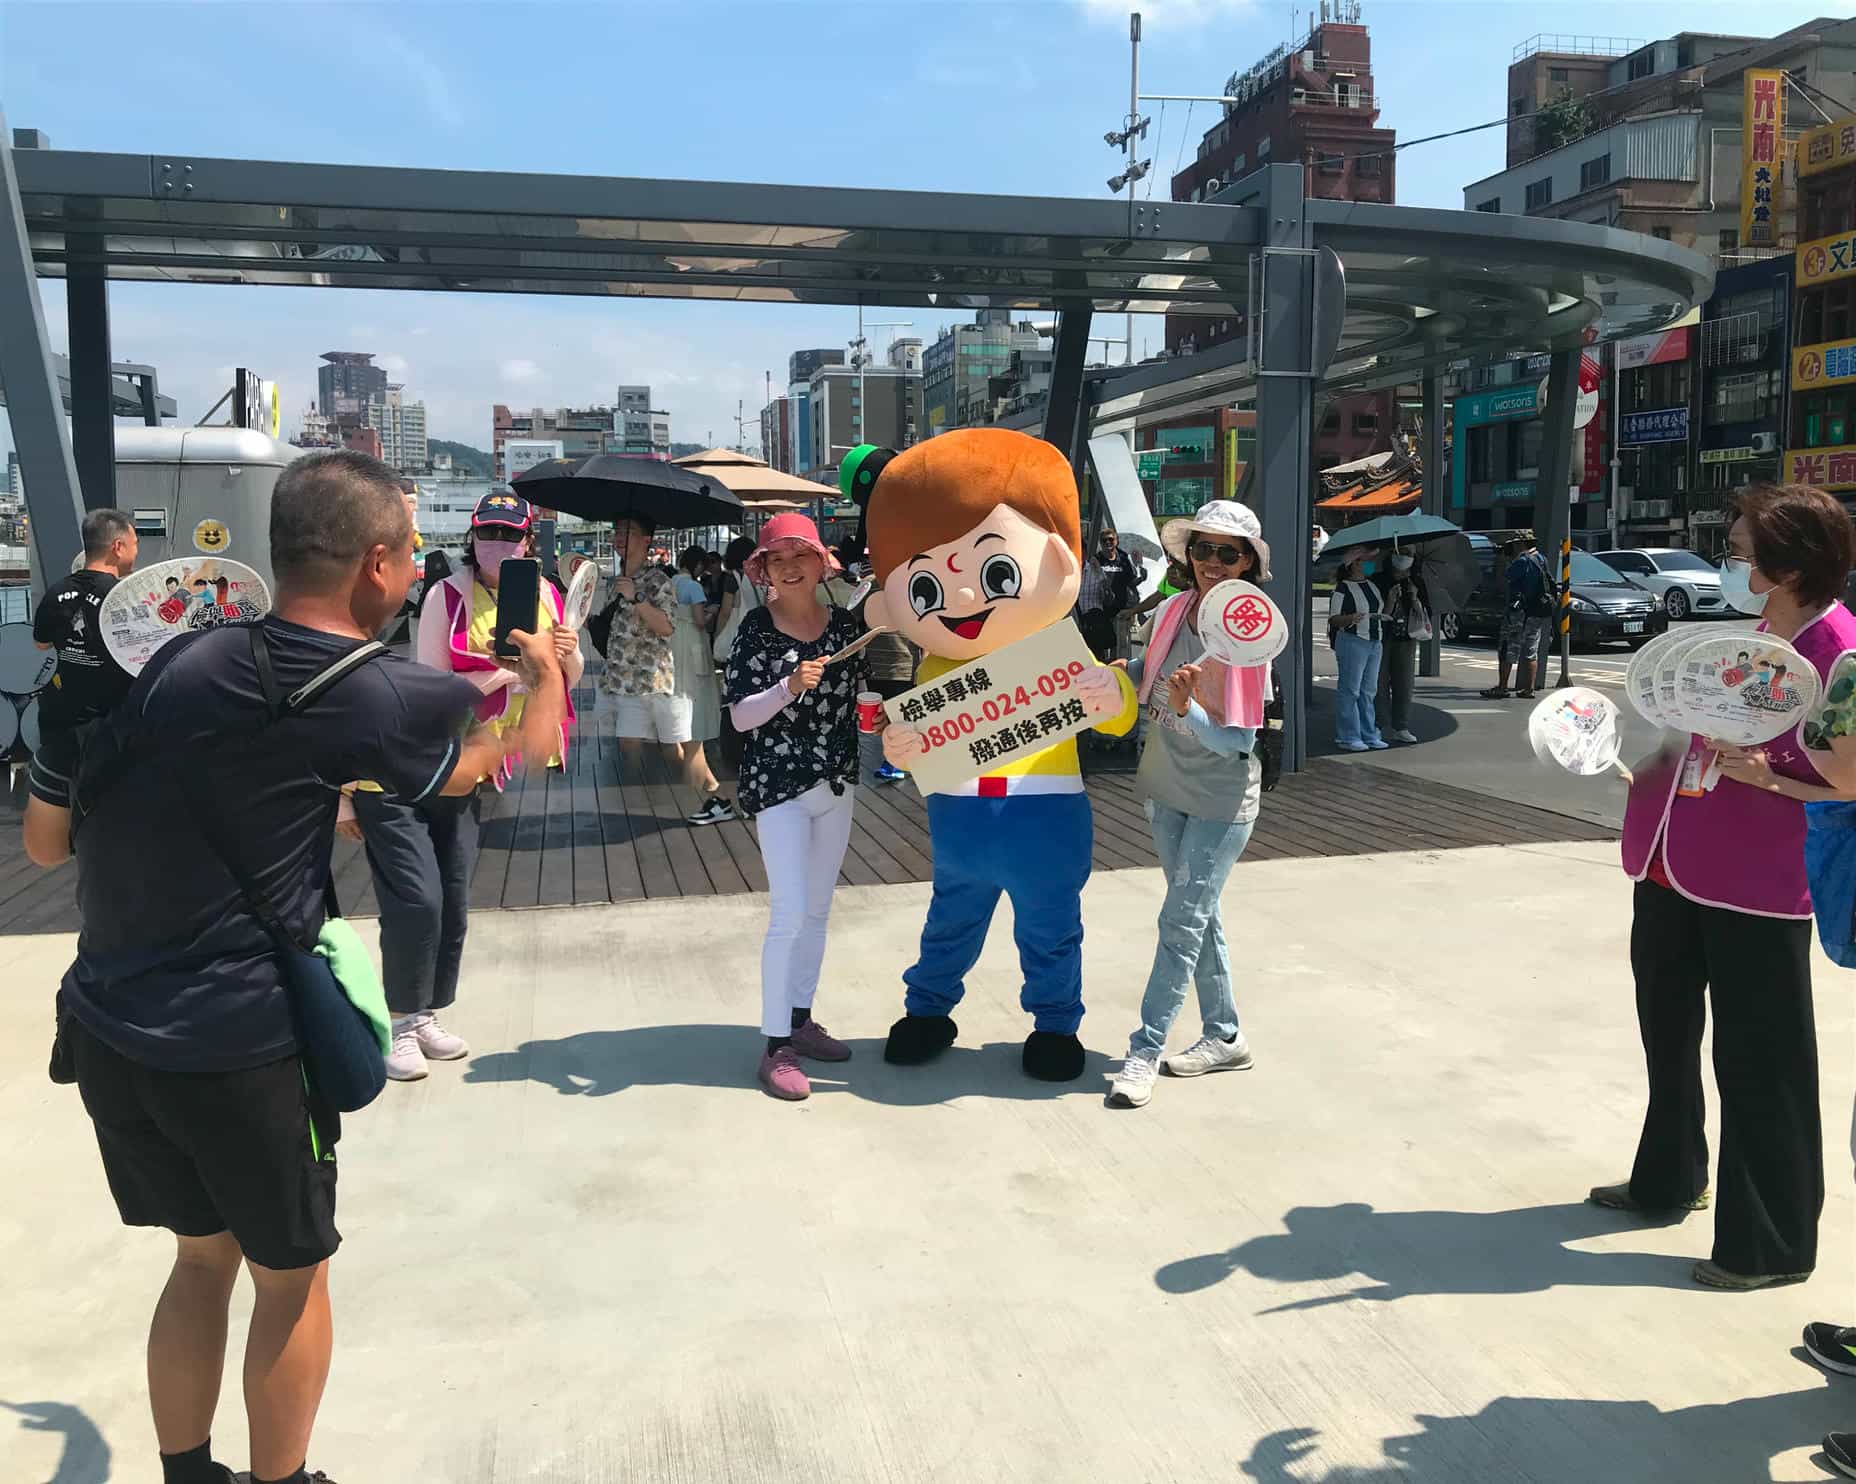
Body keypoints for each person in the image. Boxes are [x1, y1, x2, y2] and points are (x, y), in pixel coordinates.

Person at [24, 449, 566, 1484]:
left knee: (199, 1260)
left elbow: (59, 842)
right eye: (409, 549)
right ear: (377, 563)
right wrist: (546, 681)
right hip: (234, 1045)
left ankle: (189, 1473)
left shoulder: (185, 658)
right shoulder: (372, 690)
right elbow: (488, 764)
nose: (413, 565)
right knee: (291, 1277)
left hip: (108, 1021)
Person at [1601, 482, 1856, 1291]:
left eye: (1741, 554)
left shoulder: (1839, 653)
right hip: (1676, 861)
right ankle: (1669, 1176)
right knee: (1668, 1033)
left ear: (1789, 567)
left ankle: (1770, 1243)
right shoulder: (1756, 639)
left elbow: (1850, 783)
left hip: (1760, 881)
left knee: (1762, 1060)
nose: (1730, 566)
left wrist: (1769, 779)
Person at [340, 490, 583, 1083]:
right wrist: (511, 671)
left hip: (471, 767)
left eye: (509, 534)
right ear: (473, 537)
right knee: (415, 899)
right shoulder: (443, 596)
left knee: (452, 897)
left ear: (528, 540)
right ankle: (398, 1023)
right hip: (409, 765)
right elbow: (429, 686)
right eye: (487, 533)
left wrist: (565, 655)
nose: (497, 544)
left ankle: (423, 1012)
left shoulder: (547, 595)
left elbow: (566, 679)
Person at [1107, 501, 1270, 1109]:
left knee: (1181, 922)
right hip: (1165, 783)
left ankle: (1144, 1049)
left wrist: (1188, 710)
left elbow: (1238, 742)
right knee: (1199, 918)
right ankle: (1224, 1036)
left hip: (1220, 797)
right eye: (1203, 548)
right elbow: (1148, 674)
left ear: (1248, 562)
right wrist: (1122, 674)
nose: (1212, 562)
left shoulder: (1251, 631)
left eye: (1228, 552)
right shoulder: (1173, 609)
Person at [723, 514, 866, 1101]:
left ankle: (800, 1018)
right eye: (775, 559)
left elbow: (860, 696)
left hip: (837, 784)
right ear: (763, 571)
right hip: (779, 787)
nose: (788, 567)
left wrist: (877, 716)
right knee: (787, 914)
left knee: (818, 912)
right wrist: (788, 687)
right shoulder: (756, 630)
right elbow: (739, 716)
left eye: (799, 555)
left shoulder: (847, 627)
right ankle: (775, 1044)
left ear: (820, 563)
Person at [599, 514, 734, 826]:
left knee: (682, 747)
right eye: (617, 531)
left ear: (646, 540)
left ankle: (716, 797)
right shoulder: (614, 582)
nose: (620, 536)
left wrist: (636, 597)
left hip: (657, 680)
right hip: (624, 681)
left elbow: (666, 627)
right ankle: (690, 796)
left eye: (628, 531)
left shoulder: (658, 581)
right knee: (632, 744)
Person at [24, 507, 138, 840]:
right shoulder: (126, 598)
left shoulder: (56, 592)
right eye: (134, 543)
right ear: (117, 547)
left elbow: (41, 644)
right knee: (112, 809)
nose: (136, 551)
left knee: (63, 798)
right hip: (111, 720)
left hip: (61, 715)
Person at [827, 539, 914, 784]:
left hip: (879, 664)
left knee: (885, 717)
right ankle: (895, 761)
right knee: (896, 716)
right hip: (904, 663)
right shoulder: (910, 580)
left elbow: (850, 617)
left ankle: (894, 762)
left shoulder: (870, 584)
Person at [670, 543, 726, 803]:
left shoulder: (671, 582)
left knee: (679, 687)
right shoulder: (693, 587)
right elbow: (700, 621)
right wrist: (711, 613)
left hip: (674, 642)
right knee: (698, 690)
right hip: (692, 640)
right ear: (698, 564)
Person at [711, 534, 762, 772]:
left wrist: (717, 637)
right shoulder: (761, 576)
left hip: (737, 642)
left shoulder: (733, 578)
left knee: (732, 695)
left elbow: (725, 612)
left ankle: (732, 749)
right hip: (758, 641)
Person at [1327, 548, 1386, 752]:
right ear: (1354, 564)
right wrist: (1350, 618)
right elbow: (1334, 618)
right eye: (1365, 560)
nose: (1370, 563)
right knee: (1350, 690)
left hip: (1374, 641)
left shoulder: (1372, 586)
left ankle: (1369, 734)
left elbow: (1379, 611)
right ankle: (1348, 736)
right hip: (1352, 640)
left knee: (1368, 691)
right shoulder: (1343, 588)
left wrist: (1392, 599)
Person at [1482, 535, 1554, 700]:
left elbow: (1504, 578)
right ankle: (1529, 689)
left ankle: (1502, 687)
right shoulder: (1542, 559)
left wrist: (1502, 560)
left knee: (1507, 649)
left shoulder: (1522, 561)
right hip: (1536, 612)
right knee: (1530, 651)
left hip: (1519, 613)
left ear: (1520, 544)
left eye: (1514, 544)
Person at [1374, 550, 1432, 745]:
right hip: (1382, 637)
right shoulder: (1379, 580)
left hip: (1407, 638)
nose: (1402, 574)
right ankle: (1379, 724)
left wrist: (1414, 597)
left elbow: (1426, 612)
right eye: (1398, 571)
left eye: (1406, 570)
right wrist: (1390, 600)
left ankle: (1401, 726)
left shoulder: (1416, 581)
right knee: (1379, 683)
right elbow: (1376, 612)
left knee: (1404, 683)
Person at [1075, 525, 1138, 662]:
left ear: (1116, 541)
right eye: (1104, 540)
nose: (1108, 542)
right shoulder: (1096, 561)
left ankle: (1119, 668)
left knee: (1119, 647)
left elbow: (1130, 583)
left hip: (1117, 610)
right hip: (1094, 615)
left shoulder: (1124, 559)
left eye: (1111, 539)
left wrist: (1133, 608)